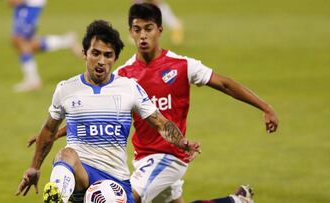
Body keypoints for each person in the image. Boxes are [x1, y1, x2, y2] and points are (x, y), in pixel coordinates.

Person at [28, 3, 278, 203]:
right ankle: (235, 201)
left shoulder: (182, 65)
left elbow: (223, 83)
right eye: (137, 29)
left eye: (148, 28)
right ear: (131, 32)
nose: (143, 35)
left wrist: (265, 106)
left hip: (170, 155)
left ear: (160, 29)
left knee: (119, 199)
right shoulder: (124, 74)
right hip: (142, 157)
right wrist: (55, 134)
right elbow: (94, 113)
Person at [15, 20, 200, 203]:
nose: (101, 61)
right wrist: (34, 167)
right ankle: (55, 199)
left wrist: (182, 142)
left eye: (108, 55)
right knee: (66, 155)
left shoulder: (129, 88)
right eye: (95, 53)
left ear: (115, 58)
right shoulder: (66, 89)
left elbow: (160, 123)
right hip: (82, 175)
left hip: (116, 184)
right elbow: (49, 129)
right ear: (84, 54)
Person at [8, 0, 81, 92]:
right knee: (24, 43)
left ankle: (33, 81)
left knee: (21, 41)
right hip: (25, 6)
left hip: (30, 5)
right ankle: (66, 41)